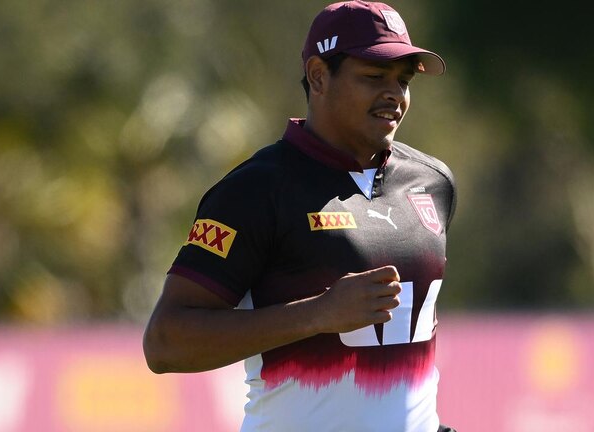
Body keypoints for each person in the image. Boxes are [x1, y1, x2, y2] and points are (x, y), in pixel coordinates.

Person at [143, 1, 456, 431]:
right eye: (373, 77)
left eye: (403, 82)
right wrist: (318, 314)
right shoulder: (255, 189)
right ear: (318, 75)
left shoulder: (433, 182)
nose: (395, 95)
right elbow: (165, 344)